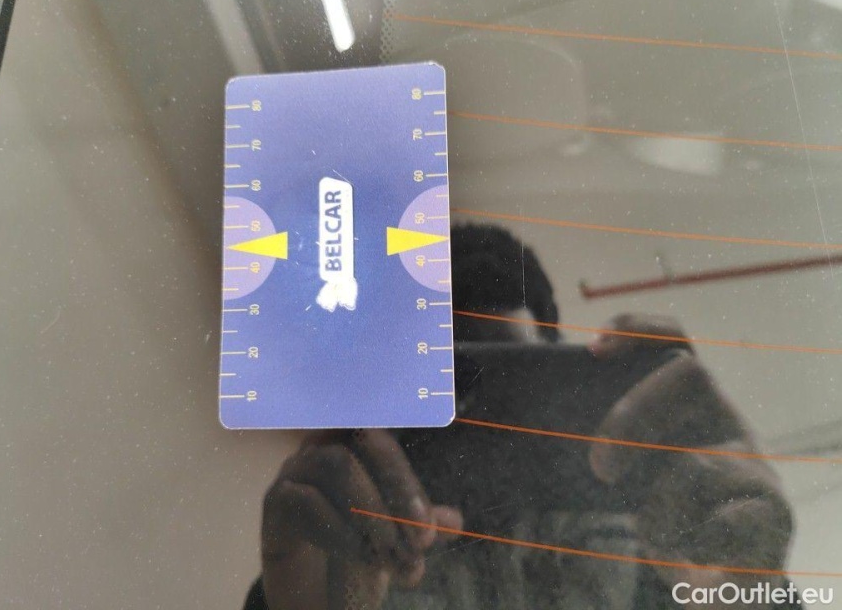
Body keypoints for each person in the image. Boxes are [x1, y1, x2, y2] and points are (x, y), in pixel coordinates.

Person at [244, 224, 798, 610]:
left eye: (513, 378)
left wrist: (750, 591)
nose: (486, 422)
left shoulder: (655, 545)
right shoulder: (343, 553)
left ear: (558, 371)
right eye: (453, 385)